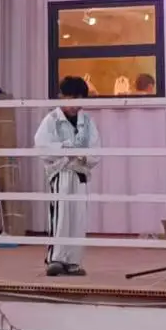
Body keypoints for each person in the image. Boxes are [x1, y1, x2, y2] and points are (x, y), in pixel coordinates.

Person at [33, 75, 99, 276]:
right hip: (60, 173)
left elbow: (95, 150)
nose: (74, 104)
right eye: (70, 98)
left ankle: (73, 261)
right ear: (62, 96)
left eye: (79, 99)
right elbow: (42, 146)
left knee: (78, 218)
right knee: (61, 216)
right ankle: (56, 259)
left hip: (79, 174)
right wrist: (67, 149)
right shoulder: (51, 120)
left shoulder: (87, 122)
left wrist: (82, 156)